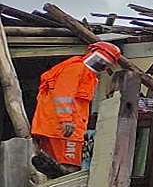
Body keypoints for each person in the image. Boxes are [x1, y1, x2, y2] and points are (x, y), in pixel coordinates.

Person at [31, 42, 121, 170]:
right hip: (64, 130)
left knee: (56, 168)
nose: (102, 64)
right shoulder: (76, 69)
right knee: (68, 168)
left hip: (64, 129)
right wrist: (66, 120)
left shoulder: (89, 75)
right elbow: (63, 95)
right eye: (101, 60)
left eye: (105, 63)